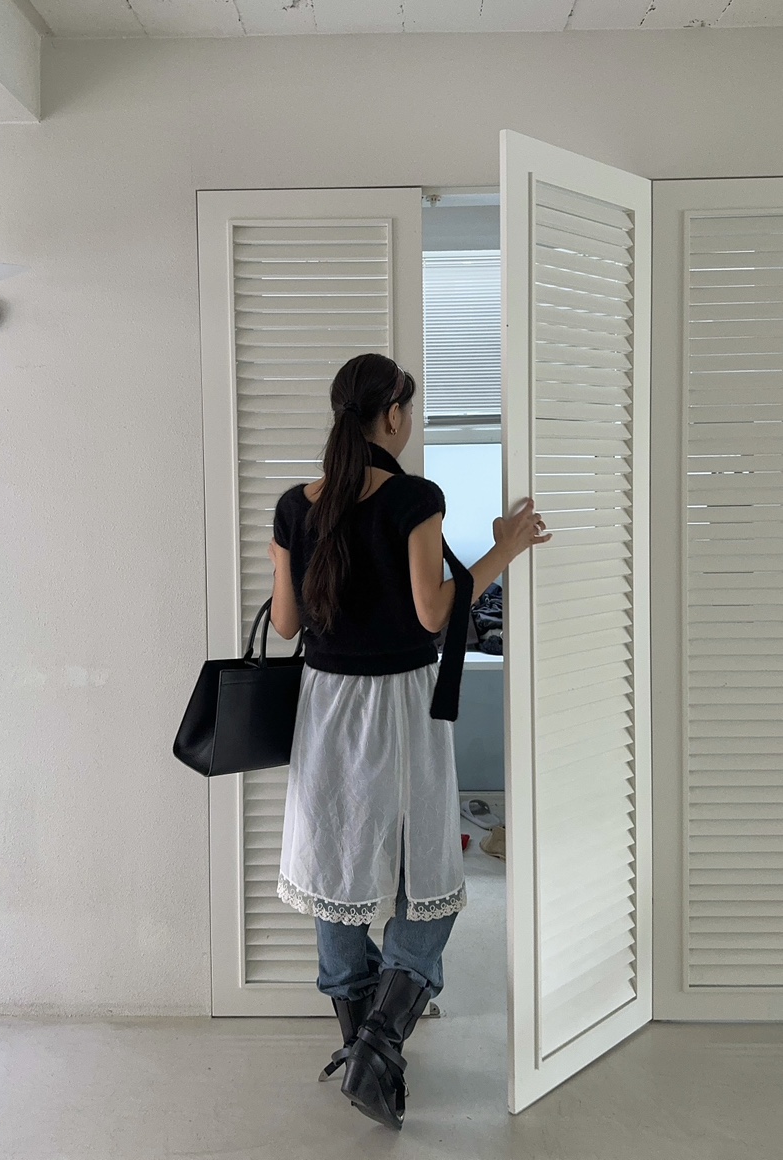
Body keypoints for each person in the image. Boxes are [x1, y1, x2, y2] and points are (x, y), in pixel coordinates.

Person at [268, 352, 550, 1130]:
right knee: (426, 873)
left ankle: (361, 1042)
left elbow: (285, 623)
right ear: (392, 415)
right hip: (398, 705)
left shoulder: (294, 505)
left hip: (324, 705)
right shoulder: (414, 497)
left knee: (334, 866)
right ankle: (380, 1044)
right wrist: (505, 548)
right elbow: (434, 613)